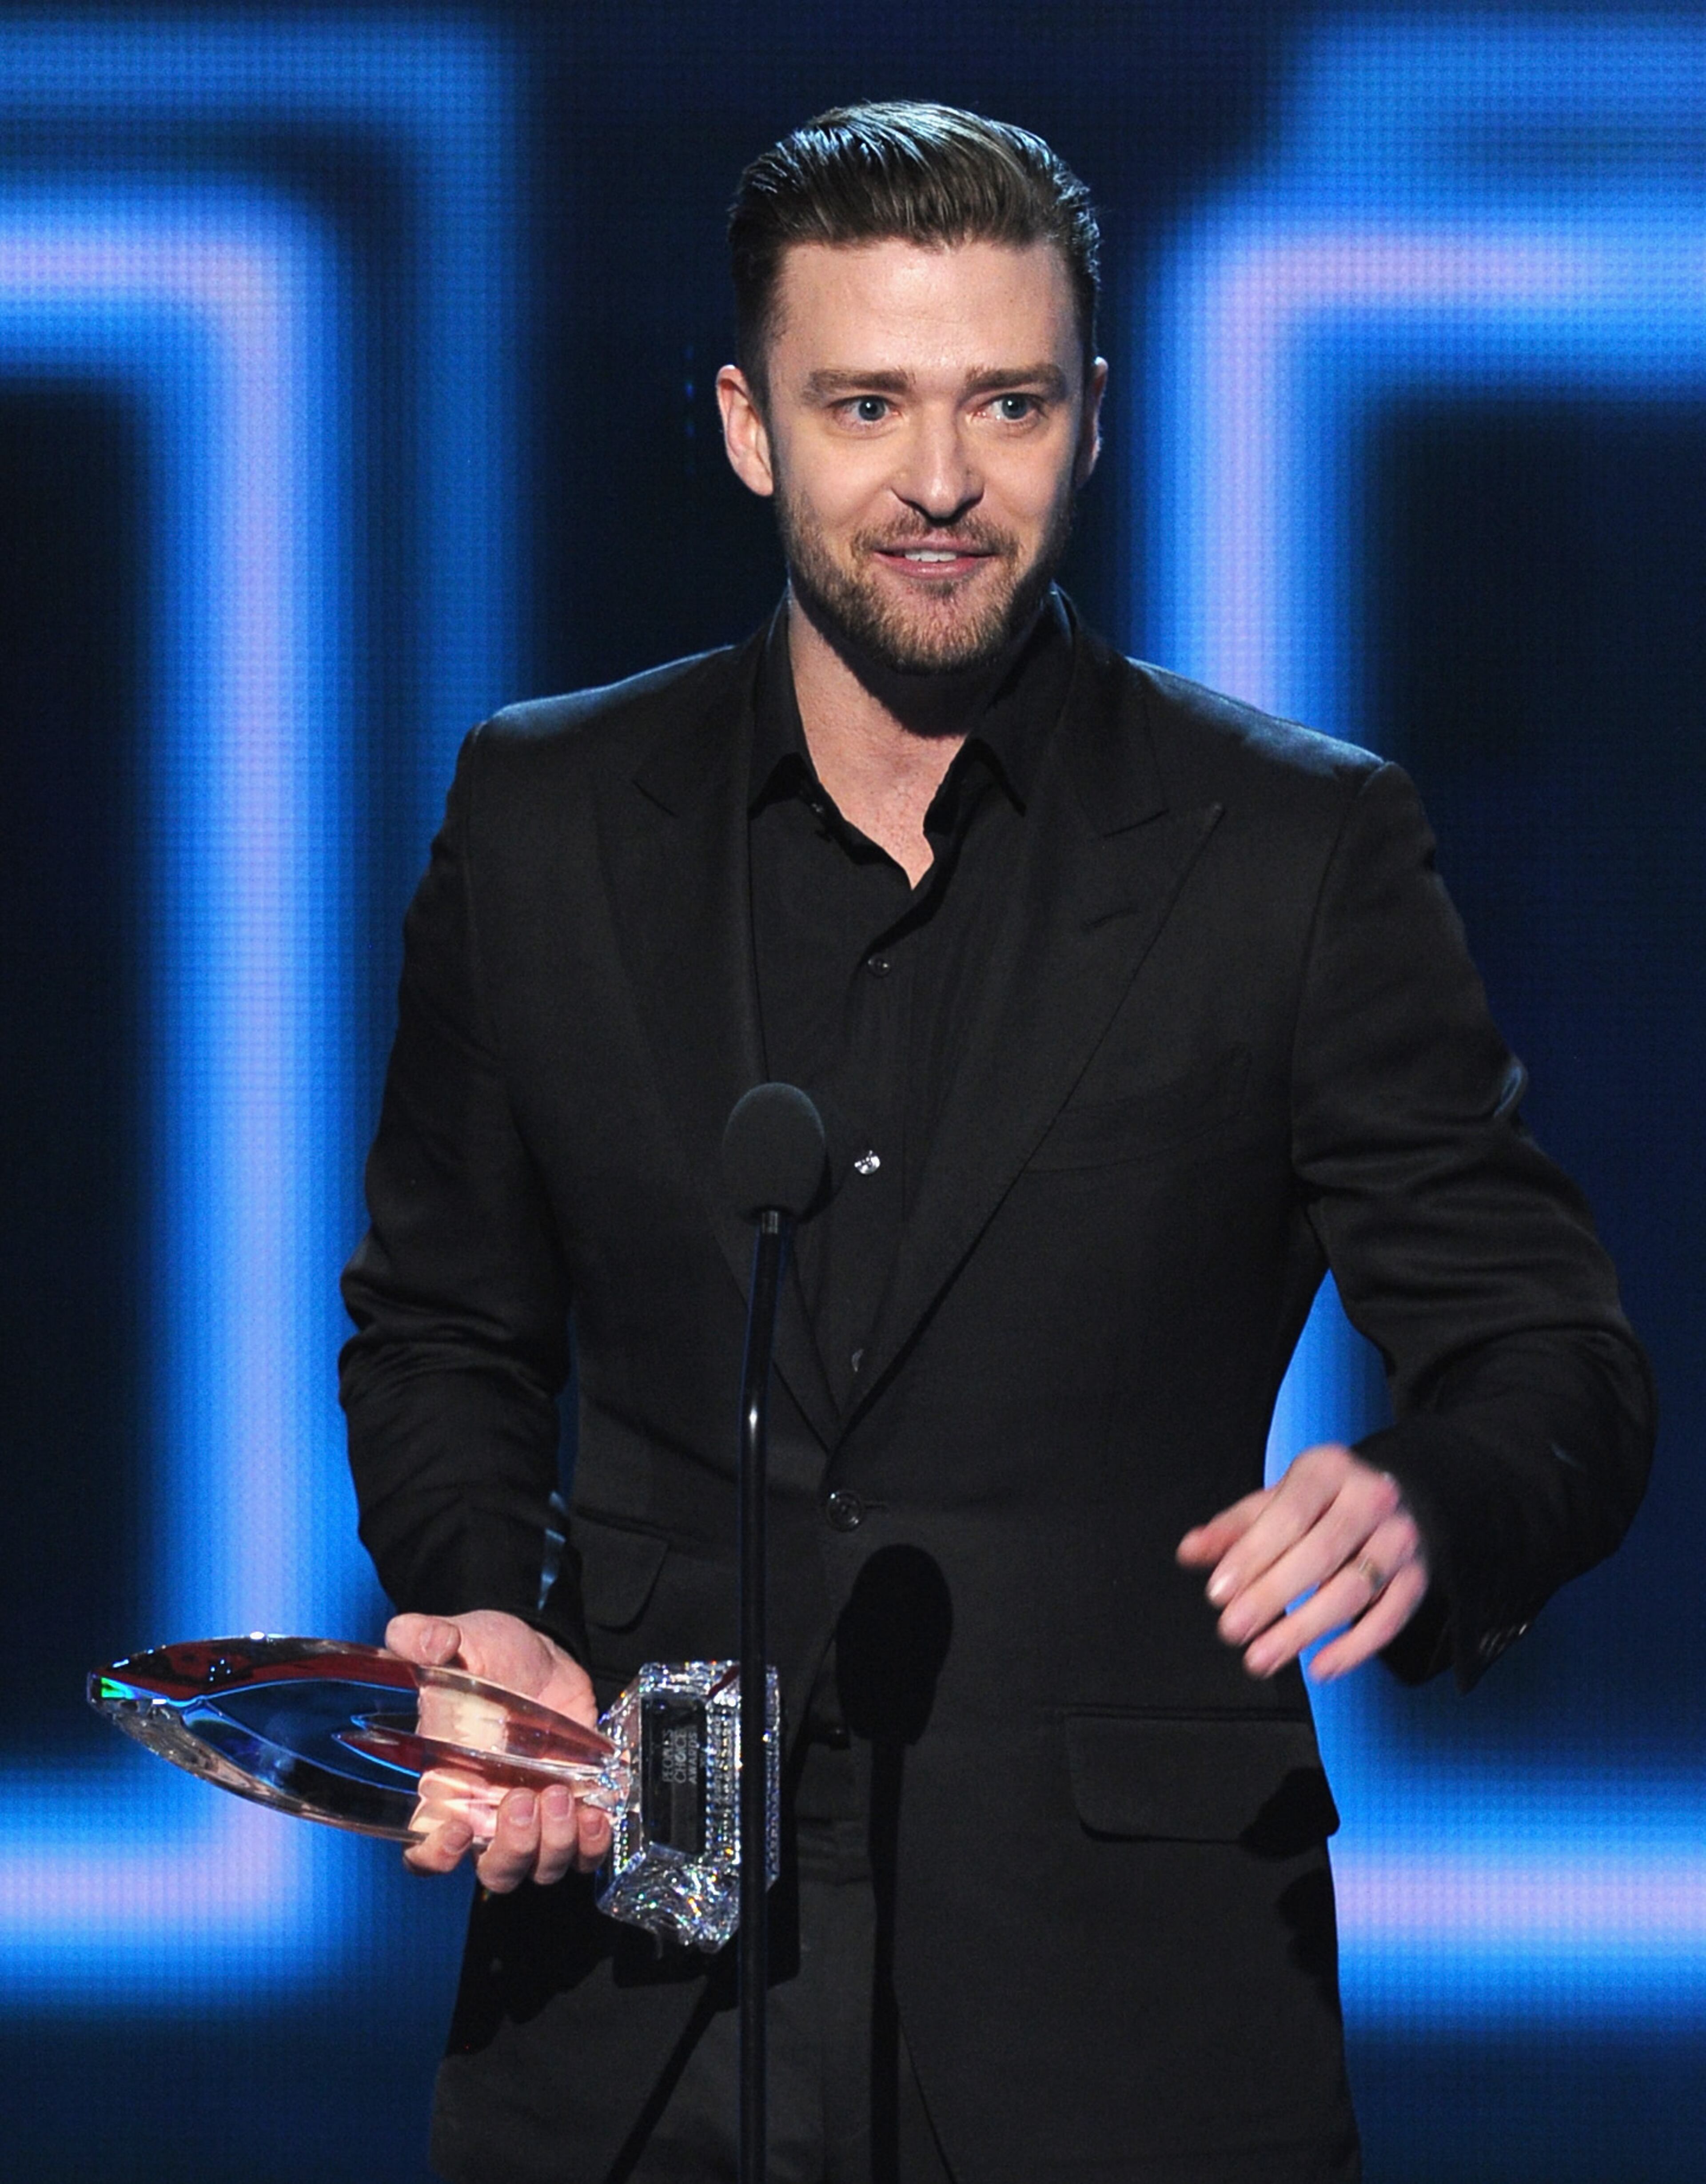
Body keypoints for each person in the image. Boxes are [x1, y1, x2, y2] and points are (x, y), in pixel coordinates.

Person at [341, 103, 1653, 2184]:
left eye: (1006, 404)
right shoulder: (548, 818)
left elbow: (1556, 1362)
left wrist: (1429, 1496)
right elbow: (441, 1323)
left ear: (1094, 419)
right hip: (645, 1930)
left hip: (1123, 2002)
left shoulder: (1290, 848)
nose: (942, 481)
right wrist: (481, 1600)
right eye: (865, 403)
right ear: (751, 428)